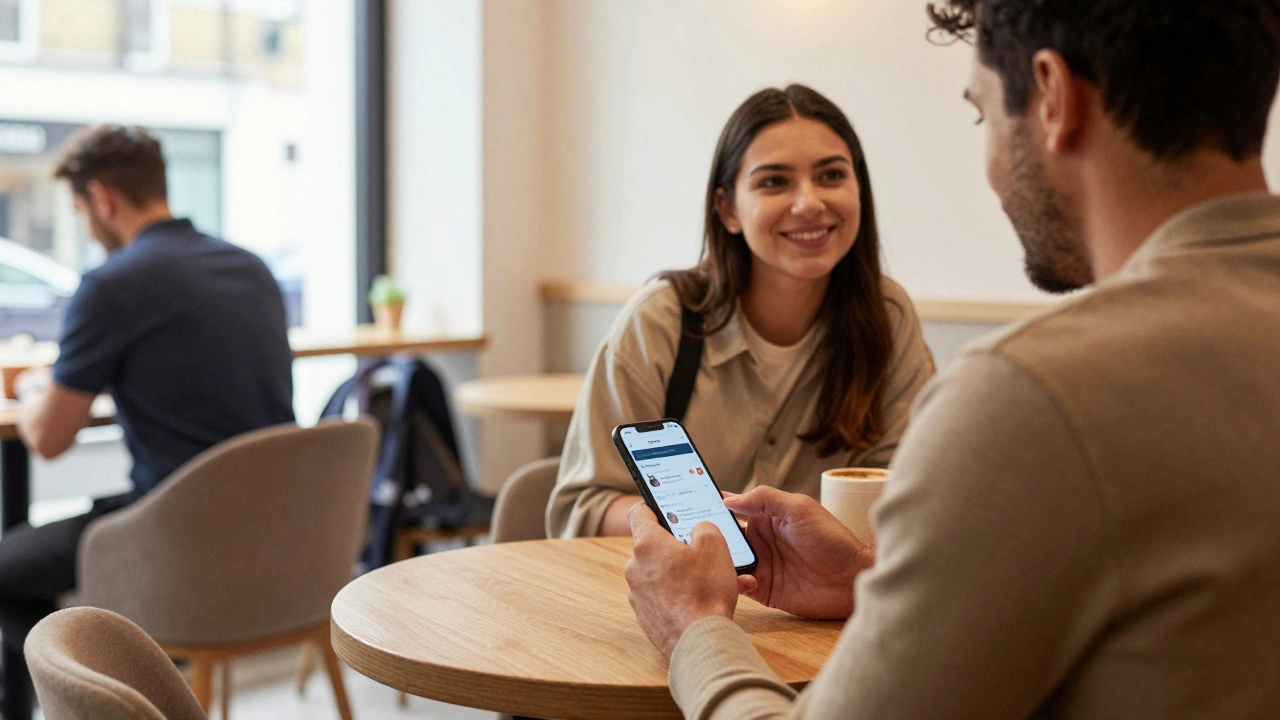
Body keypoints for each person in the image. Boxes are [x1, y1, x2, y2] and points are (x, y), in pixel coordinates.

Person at [624, 1, 1280, 717]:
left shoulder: (1028, 398)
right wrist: (872, 578)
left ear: (1053, 97)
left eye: (982, 114)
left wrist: (694, 630)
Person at [548, 85, 936, 538]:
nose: (809, 203)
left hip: (829, 587)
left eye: (831, 175)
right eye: (774, 182)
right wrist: (722, 530)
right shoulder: (660, 322)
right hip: (674, 581)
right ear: (728, 210)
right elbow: (583, 508)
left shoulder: (887, 317)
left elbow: (912, 489)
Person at [0, 125, 294, 714]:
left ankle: (96, 702)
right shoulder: (252, 269)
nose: (88, 230)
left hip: (177, 542)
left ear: (103, 198)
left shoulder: (112, 286)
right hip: (282, 539)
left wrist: (31, 384)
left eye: (81, 213)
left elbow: (48, 436)